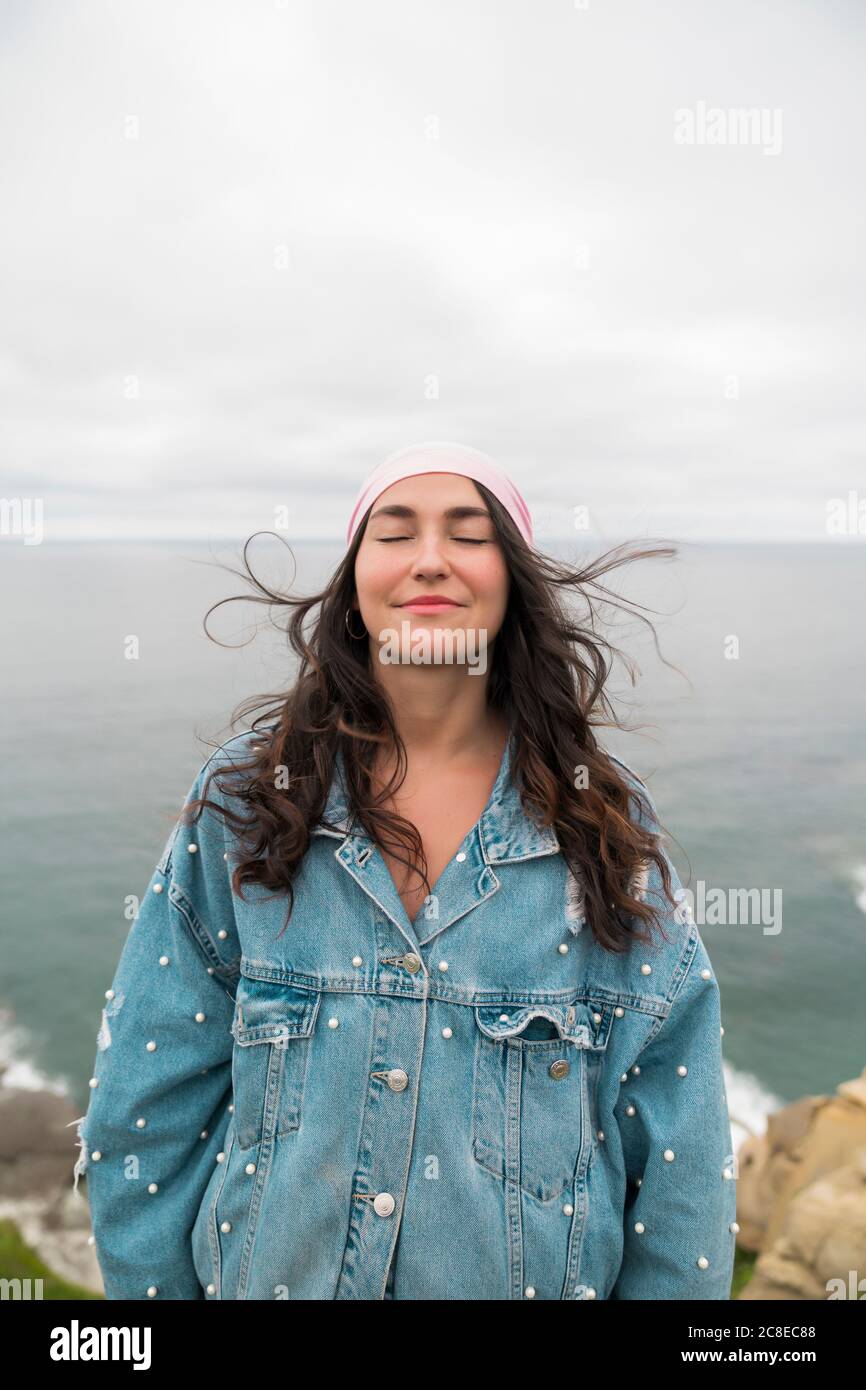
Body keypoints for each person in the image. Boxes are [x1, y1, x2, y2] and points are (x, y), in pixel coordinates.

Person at [74, 441, 738, 1300]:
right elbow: (144, 1114)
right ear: (355, 577)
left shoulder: (602, 828)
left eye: (469, 533)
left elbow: (681, 1170)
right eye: (395, 532)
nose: (430, 559)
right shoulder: (248, 804)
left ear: (513, 577)